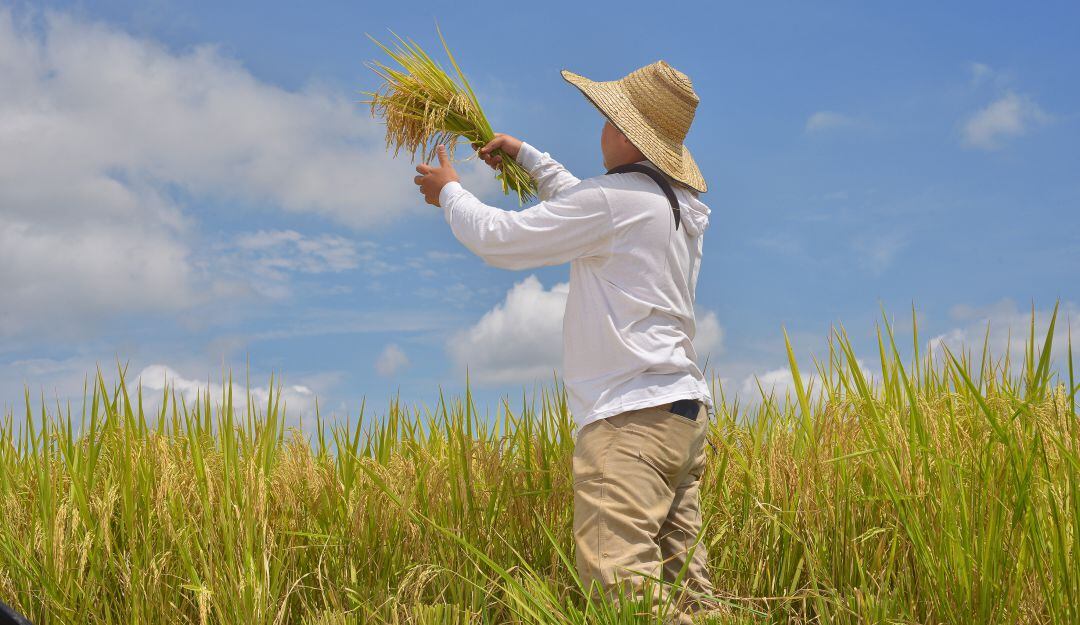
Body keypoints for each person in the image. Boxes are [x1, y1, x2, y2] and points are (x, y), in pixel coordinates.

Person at [413, 60, 716, 624]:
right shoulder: (671, 203)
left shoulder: (614, 202)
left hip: (629, 421)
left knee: (621, 585)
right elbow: (586, 203)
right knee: (685, 586)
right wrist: (528, 157)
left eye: (607, 120)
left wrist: (449, 192)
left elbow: (500, 238)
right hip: (681, 415)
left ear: (626, 134)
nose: (601, 130)